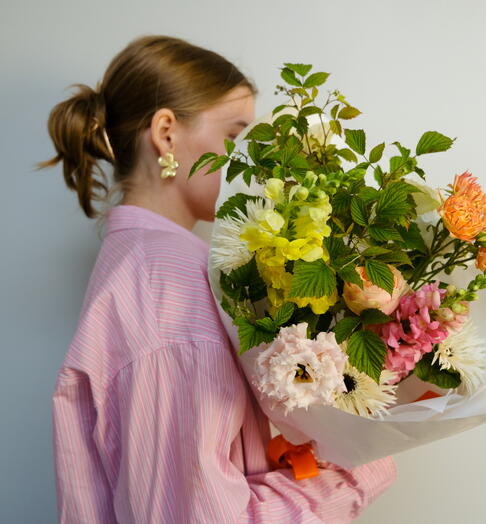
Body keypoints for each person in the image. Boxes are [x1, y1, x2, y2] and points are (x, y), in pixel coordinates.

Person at [39, 34, 397, 523]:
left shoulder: (141, 265)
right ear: (166, 133)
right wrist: (360, 467)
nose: (250, 160)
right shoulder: (167, 287)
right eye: (235, 136)